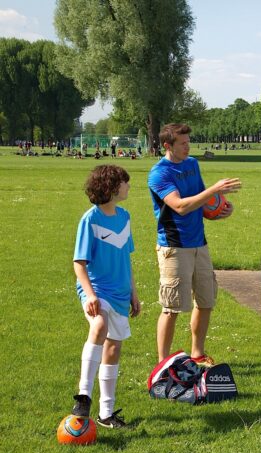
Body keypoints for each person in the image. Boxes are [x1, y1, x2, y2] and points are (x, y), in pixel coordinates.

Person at [148, 123, 241, 365]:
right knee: (172, 307)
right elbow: (180, 206)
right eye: (182, 143)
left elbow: (201, 200)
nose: (188, 147)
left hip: (200, 243)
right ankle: (163, 364)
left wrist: (219, 209)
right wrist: (215, 188)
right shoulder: (159, 173)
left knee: (206, 300)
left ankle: (197, 354)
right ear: (167, 146)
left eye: (188, 142)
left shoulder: (192, 164)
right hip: (174, 246)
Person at [71, 165, 141, 429]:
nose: (129, 186)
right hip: (97, 290)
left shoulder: (124, 217)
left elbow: (126, 259)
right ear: (111, 187)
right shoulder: (91, 219)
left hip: (121, 294)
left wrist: (134, 293)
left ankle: (106, 414)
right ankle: (83, 396)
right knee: (99, 326)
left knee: (113, 348)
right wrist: (90, 295)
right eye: (125, 182)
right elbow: (79, 263)